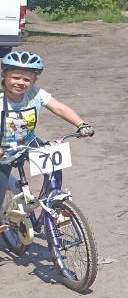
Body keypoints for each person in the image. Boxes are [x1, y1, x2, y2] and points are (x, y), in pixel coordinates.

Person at [0, 52, 94, 216]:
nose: (21, 83)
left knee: (54, 165)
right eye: (15, 77)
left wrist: (81, 124)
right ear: (4, 75)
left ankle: (52, 201)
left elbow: (59, 108)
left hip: (28, 141)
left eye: (27, 79)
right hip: (3, 150)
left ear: (34, 81)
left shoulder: (35, 94)